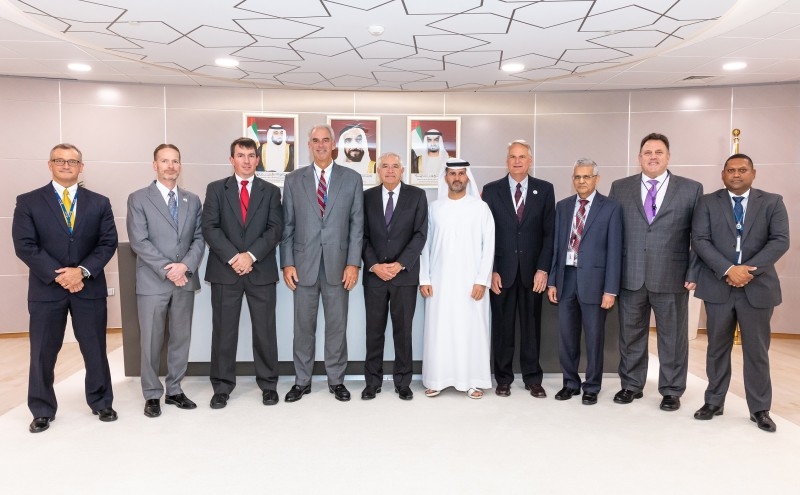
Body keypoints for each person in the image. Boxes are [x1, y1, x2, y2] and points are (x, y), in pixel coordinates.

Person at [12, 143, 118, 433]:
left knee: (95, 348)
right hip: (47, 289)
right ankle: (42, 409)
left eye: (73, 161)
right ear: (50, 165)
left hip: (89, 286)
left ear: (82, 167)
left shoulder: (99, 202)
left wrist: (81, 271)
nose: (66, 165)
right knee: (43, 352)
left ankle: (101, 402)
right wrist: (60, 275)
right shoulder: (28, 201)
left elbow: (107, 243)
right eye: (60, 160)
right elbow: (25, 246)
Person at [691, 154, 789, 432]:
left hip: (757, 288)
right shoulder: (708, 202)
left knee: (757, 351)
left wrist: (746, 270)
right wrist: (727, 269)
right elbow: (699, 239)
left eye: (742, 170)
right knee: (716, 348)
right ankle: (714, 402)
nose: (736, 174)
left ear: (753, 173)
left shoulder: (772, 202)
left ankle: (759, 409)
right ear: (723, 174)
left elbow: (780, 241)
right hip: (718, 286)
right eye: (731, 170)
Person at [608, 133, 703, 411]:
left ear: (668, 156)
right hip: (631, 275)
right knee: (630, 334)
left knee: (672, 337)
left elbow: (699, 236)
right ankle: (631, 385)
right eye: (647, 152)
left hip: (672, 276)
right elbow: (613, 235)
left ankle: (671, 390)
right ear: (639, 158)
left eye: (658, 152)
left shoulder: (690, 188)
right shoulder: (620, 187)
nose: (653, 156)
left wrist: (694, 271)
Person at [280, 124, 364, 402]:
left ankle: (336, 380)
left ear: (333, 145)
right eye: (315, 140)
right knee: (302, 327)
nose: (320, 145)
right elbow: (287, 226)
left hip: (339, 267)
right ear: (309, 144)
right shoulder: (294, 180)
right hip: (303, 266)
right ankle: (302, 381)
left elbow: (357, 225)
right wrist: (287, 263)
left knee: (337, 326)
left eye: (325, 140)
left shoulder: (351, 179)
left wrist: (354, 264)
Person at [202, 137, 283, 409]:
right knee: (224, 332)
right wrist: (235, 257)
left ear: (257, 160)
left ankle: (269, 385)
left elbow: (275, 229)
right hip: (226, 271)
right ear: (231, 159)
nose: (246, 160)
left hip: (260, 270)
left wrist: (251, 256)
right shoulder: (215, 189)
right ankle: (222, 387)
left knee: (265, 332)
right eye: (240, 155)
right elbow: (210, 228)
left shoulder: (271, 191)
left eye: (251, 155)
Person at [126, 144, 205, 418]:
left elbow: (198, 237)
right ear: (155, 165)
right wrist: (168, 268)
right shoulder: (138, 198)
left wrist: (185, 266)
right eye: (164, 161)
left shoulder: (192, 199)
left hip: (184, 281)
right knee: (150, 340)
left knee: (181, 338)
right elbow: (139, 240)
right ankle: (151, 394)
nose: (170, 166)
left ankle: (174, 390)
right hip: (153, 281)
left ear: (180, 166)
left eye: (175, 161)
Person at [547, 159, 623, 405]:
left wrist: (610, 289)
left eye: (586, 177)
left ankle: (592, 386)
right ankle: (570, 383)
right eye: (577, 177)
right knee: (566, 337)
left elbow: (615, 251)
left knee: (593, 338)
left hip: (595, 282)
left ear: (596, 179)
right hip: (566, 279)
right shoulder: (563, 206)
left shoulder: (611, 208)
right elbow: (557, 247)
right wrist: (552, 281)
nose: (581, 181)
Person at [482, 139, 554, 398]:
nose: (517, 161)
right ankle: (503, 378)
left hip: (532, 274)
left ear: (530, 160)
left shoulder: (545, 190)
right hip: (502, 272)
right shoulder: (491, 191)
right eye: (512, 156)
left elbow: (549, 235)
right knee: (502, 329)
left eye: (522, 156)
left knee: (531, 329)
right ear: (507, 161)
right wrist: (490, 270)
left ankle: (533, 378)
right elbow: (486, 235)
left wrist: (543, 269)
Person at [420, 158, 494, 399]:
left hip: (471, 283)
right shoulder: (434, 208)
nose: (457, 178)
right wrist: (425, 278)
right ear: (445, 178)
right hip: (439, 282)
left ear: (467, 177)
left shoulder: (480, 208)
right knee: (440, 330)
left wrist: (482, 280)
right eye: (453, 174)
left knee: (471, 330)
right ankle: (437, 379)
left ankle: (473, 381)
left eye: (461, 174)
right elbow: (425, 246)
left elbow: (489, 246)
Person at [361, 152, 428, 401]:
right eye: (385, 166)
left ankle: (403, 382)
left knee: (403, 331)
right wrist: (374, 265)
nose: (390, 170)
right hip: (375, 276)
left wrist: (400, 264)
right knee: (374, 331)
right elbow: (361, 235)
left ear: (403, 170)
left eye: (395, 167)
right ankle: (372, 382)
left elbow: (420, 234)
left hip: (404, 276)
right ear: (378, 170)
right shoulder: (366, 197)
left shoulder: (417, 196)